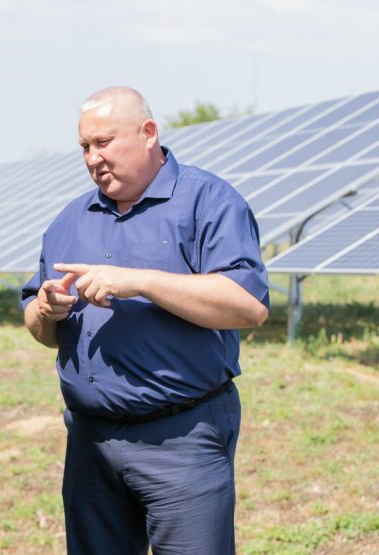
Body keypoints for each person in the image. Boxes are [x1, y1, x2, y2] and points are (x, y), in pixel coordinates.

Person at [21, 87, 269, 554]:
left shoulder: (208, 201)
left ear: (148, 133)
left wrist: (140, 281)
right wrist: (46, 310)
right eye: (84, 147)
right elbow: (38, 324)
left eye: (104, 142)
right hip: (90, 443)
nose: (93, 158)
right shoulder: (69, 221)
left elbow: (247, 304)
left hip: (180, 440)